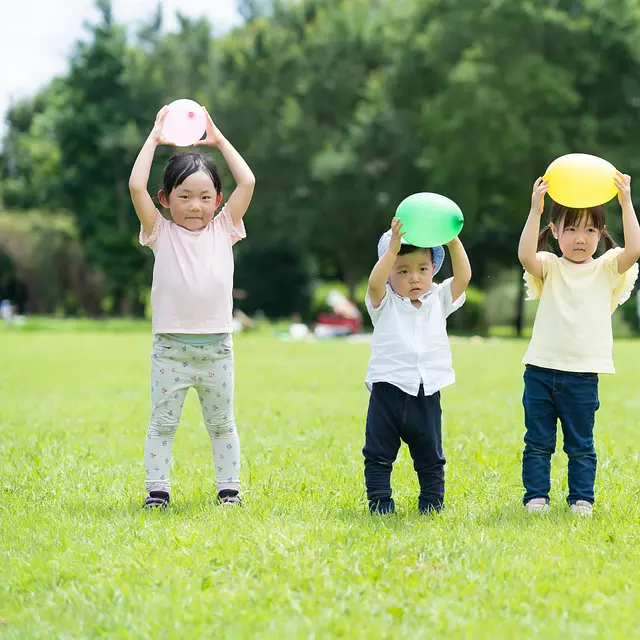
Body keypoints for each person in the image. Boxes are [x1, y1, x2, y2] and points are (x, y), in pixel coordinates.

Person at [129, 105, 255, 509]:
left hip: (217, 348)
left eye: (204, 197)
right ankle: (157, 490)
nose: (195, 206)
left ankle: (229, 490)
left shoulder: (224, 228)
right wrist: (153, 137)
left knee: (222, 424)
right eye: (184, 196)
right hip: (171, 349)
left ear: (218, 199)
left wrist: (217, 139)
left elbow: (248, 181)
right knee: (163, 424)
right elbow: (135, 187)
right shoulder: (159, 232)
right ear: (165, 199)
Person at [517, 173, 640, 516]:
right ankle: (536, 497)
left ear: (601, 234)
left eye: (589, 230)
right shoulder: (551, 266)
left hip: (583, 376)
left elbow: (634, 249)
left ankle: (581, 499)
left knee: (581, 445)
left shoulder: (606, 268)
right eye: (570, 229)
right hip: (541, 370)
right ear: (555, 232)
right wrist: (535, 210)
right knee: (538, 443)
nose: (580, 238)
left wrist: (626, 202)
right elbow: (526, 256)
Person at [363, 217, 471, 514]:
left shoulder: (438, 298)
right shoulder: (384, 301)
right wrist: (392, 248)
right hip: (388, 389)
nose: (415, 278)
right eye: (403, 271)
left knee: (430, 455)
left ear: (433, 269)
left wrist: (453, 241)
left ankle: (432, 502)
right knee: (378, 453)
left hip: (427, 390)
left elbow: (463, 278)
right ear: (389, 274)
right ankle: (380, 502)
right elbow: (374, 282)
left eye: (423, 270)